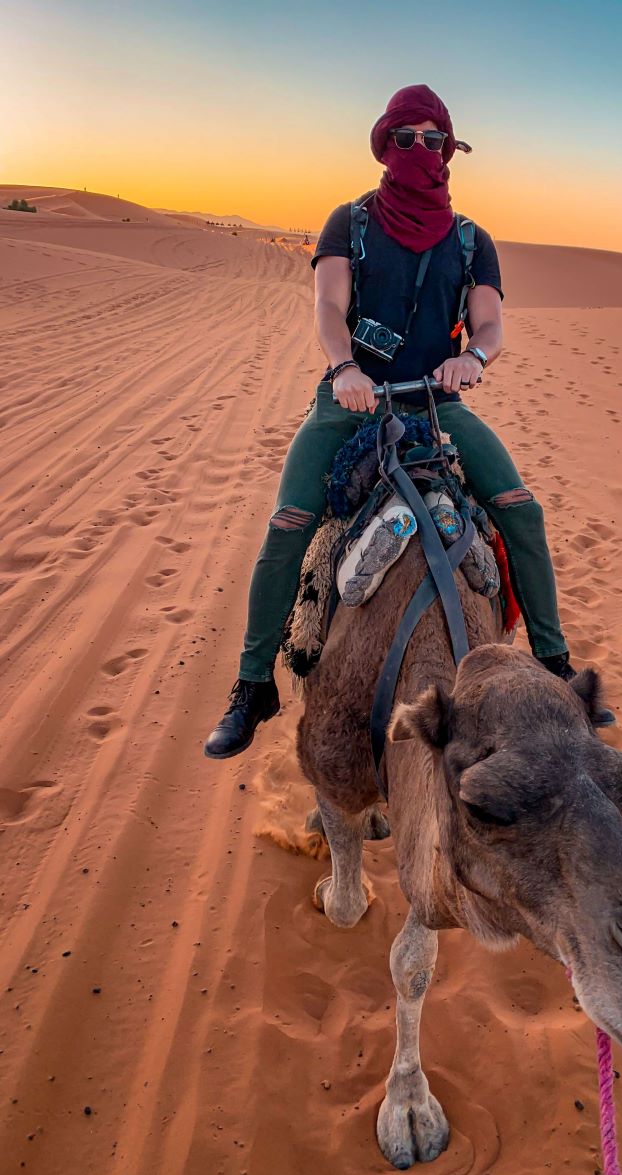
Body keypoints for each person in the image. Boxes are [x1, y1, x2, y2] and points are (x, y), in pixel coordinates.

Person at [204, 84, 576, 760]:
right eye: (407, 137)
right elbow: (328, 303)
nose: (421, 149)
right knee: (289, 522)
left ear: (448, 151)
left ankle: (554, 666)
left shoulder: (471, 242)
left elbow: (490, 320)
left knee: (520, 510)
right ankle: (253, 683)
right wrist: (344, 367)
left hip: (435, 405)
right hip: (353, 401)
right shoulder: (351, 222)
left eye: (435, 139)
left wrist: (474, 356)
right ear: (386, 143)